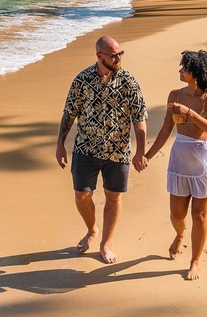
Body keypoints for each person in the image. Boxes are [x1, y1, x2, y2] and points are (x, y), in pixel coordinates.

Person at [55, 35, 148, 264]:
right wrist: (60, 144)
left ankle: (106, 244)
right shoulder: (82, 79)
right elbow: (70, 113)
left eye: (120, 54)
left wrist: (140, 152)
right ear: (99, 56)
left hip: (118, 150)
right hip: (85, 147)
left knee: (113, 197)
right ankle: (92, 229)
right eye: (114, 55)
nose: (118, 58)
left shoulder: (129, 82)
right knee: (82, 194)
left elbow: (139, 118)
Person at [144, 49, 207, 280]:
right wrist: (147, 156)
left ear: (197, 73)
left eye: (185, 68)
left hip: (204, 159)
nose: (180, 71)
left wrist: (190, 113)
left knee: (199, 215)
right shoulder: (175, 95)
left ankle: (195, 261)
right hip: (180, 158)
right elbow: (165, 130)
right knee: (176, 215)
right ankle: (180, 234)